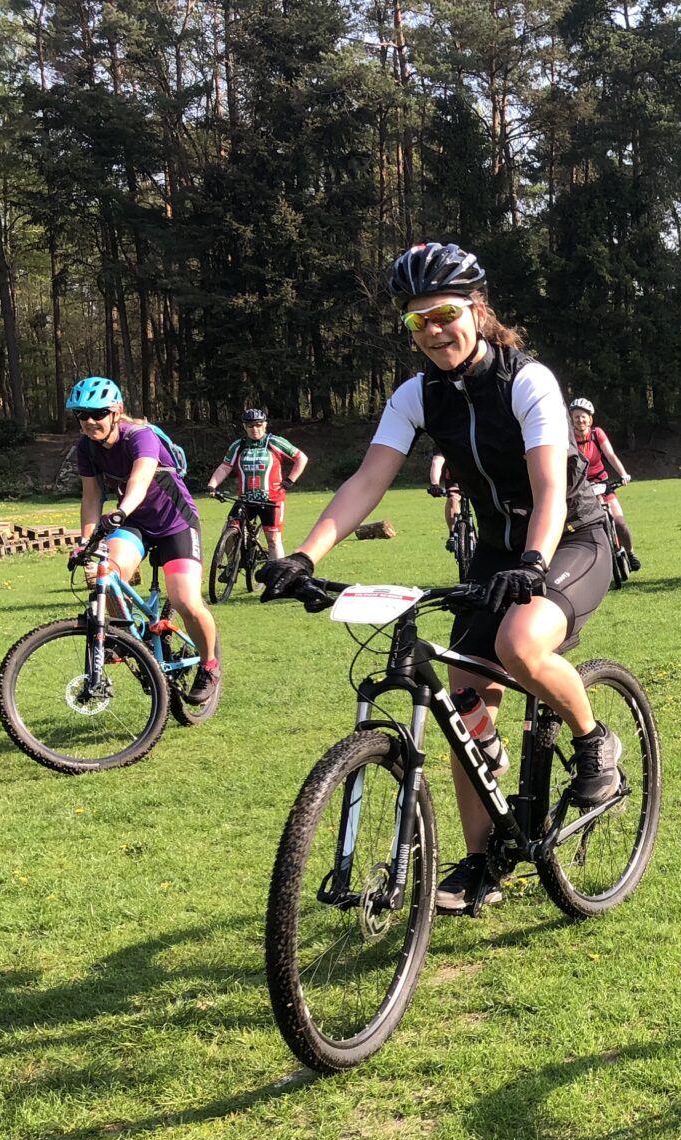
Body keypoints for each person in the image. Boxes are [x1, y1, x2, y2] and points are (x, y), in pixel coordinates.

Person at [257, 241, 621, 915]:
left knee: (519, 646)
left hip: (570, 538)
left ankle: (595, 740)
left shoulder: (526, 380)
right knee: (458, 698)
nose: (432, 331)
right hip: (496, 554)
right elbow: (368, 480)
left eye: (445, 314)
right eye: (416, 321)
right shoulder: (415, 396)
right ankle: (485, 860)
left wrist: (534, 565)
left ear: (478, 311)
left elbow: (549, 492)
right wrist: (306, 557)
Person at [67, 375, 221, 704]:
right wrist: (84, 542)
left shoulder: (141, 436)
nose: (90, 421)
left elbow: (139, 480)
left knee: (185, 601)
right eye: (82, 415)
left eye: (98, 413)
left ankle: (209, 665)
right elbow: (91, 497)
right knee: (103, 572)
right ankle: (128, 637)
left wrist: (120, 511)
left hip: (175, 523)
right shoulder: (86, 448)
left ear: (116, 411)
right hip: (135, 523)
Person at [205, 407, 306, 562]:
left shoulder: (274, 442)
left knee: (273, 539)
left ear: (265, 425)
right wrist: (212, 485)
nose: (255, 429)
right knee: (229, 530)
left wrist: (290, 480)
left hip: (271, 499)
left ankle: (276, 577)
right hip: (245, 499)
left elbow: (301, 458)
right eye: (251, 426)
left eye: (258, 425)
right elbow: (225, 467)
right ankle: (234, 564)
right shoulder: (239, 446)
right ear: (245, 427)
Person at [570, 397, 639, 572]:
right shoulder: (567, 438)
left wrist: (623, 474)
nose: (580, 420)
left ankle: (630, 553)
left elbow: (610, 455)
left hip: (602, 482)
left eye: (583, 416)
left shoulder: (597, 433)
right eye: (576, 417)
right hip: (581, 487)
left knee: (620, 522)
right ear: (571, 419)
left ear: (590, 418)